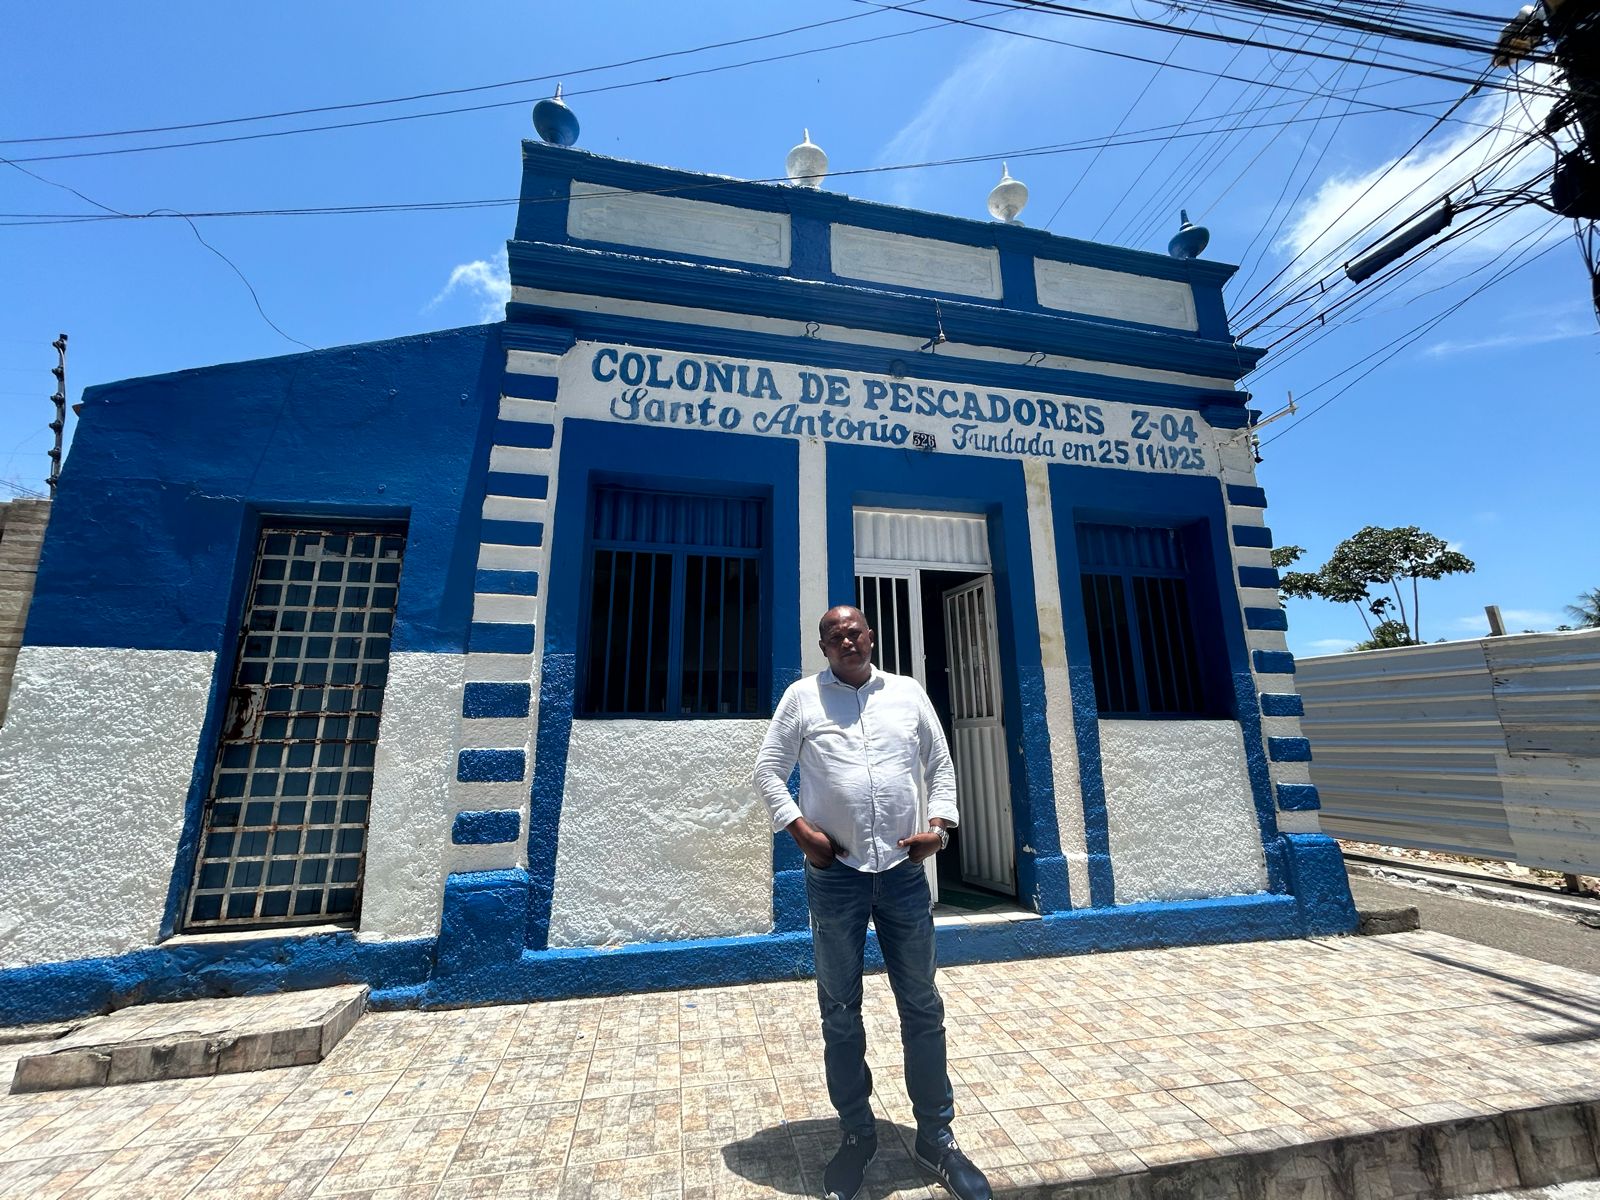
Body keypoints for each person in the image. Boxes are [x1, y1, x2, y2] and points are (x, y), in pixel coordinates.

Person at [755, 605, 991, 1200]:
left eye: (854, 631)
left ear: (871, 636)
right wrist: (799, 830)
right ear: (823, 646)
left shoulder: (908, 693)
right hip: (836, 877)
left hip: (904, 877)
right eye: (834, 636)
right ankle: (857, 1135)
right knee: (840, 1009)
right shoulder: (803, 698)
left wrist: (940, 826)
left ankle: (936, 1139)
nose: (846, 640)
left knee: (922, 1005)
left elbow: (939, 763)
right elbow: (767, 768)